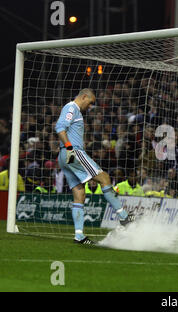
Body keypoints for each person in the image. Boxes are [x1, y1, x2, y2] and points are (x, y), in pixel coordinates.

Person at [55, 88, 132, 245]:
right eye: (90, 103)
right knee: (104, 178)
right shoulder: (72, 108)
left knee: (79, 193)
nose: (89, 107)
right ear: (84, 97)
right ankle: (124, 217)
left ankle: (79, 235)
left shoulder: (74, 110)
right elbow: (59, 127)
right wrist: (70, 147)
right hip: (73, 152)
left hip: (64, 157)